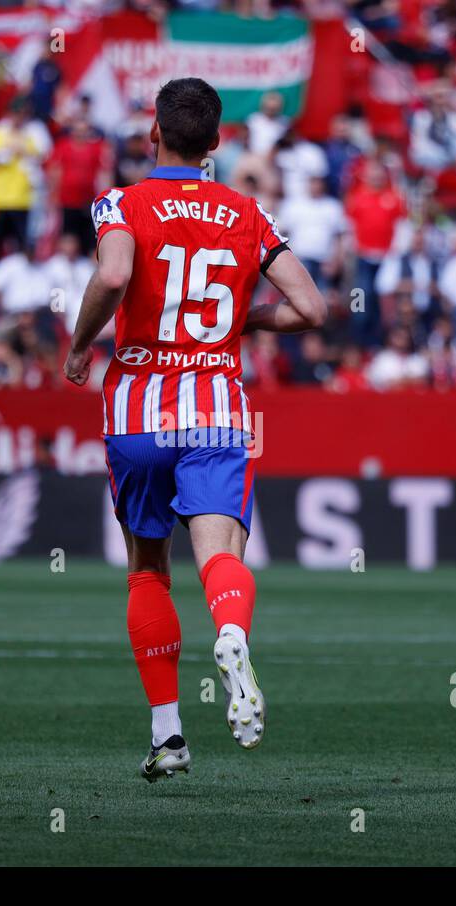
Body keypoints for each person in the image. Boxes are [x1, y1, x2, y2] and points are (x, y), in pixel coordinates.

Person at [63, 77, 325, 781]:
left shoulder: (122, 201)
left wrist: (81, 344)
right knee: (220, 557)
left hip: (139, 409)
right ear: (216, 143)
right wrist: (240, 319)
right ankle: (233, 632)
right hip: (214, 408)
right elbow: (310, 309)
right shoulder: (246, 212)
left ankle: (169, 735)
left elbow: (115, 274)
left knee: (148, 569)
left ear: (154, 133)